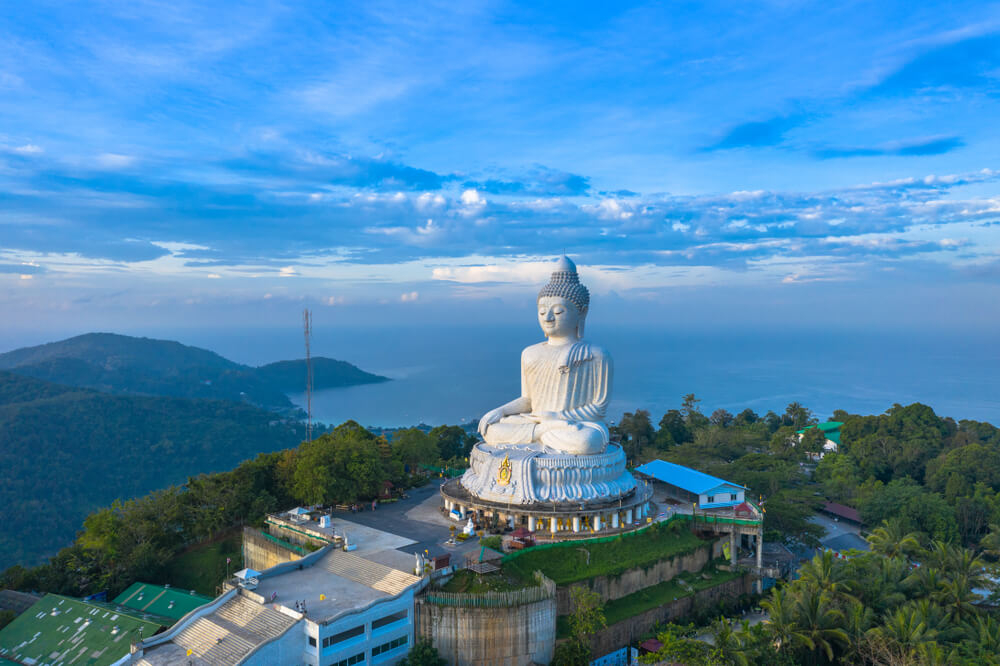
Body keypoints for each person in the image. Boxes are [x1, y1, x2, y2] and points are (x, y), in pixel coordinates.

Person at [477, 256, 612, 456]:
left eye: (557, 312)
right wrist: (502, 411)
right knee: (492, 429)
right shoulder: (530, 353)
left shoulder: (595, 355)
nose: (548, 318)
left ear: (582, 313)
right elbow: (528, 399)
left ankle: (541, 432)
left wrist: (557, 417)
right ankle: (541, 432)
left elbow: (598, 408)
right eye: (542, 312)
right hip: (539, 422)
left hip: (573, 425)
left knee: (587, 441)